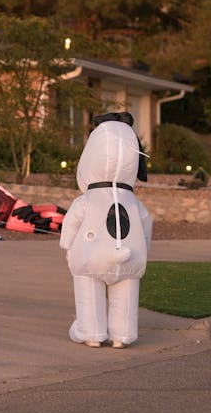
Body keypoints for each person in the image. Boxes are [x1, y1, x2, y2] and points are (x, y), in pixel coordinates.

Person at [60, 112, 152, 348]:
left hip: (92, 255)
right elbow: (146, 225)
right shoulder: (134, 203)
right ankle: (122, 335)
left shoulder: (87, 200)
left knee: (88, 287)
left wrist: (67, 244)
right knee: (126, 295)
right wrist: (143, 248)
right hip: (131, 255)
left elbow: (71, 222)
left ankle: (91, 332)